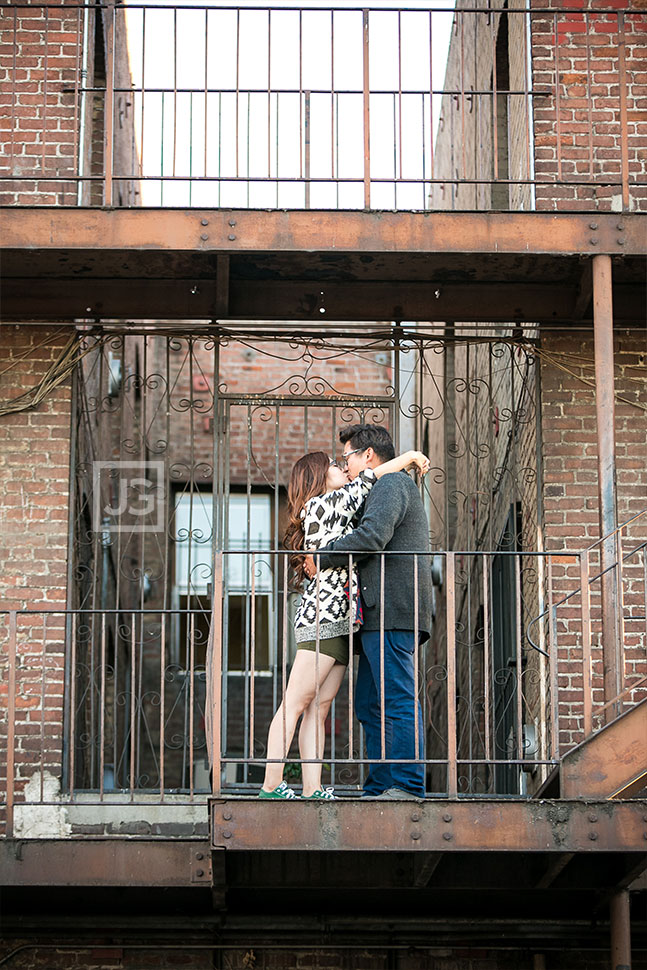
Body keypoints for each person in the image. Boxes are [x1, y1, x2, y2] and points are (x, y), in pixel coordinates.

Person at [259, 445, 430, 800]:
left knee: (318, 707)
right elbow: (373, 474)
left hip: (339, 620)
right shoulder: (325, 504)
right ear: (320, 479)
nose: (341, 468)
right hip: (323, 618)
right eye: (333, 466)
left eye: (341, 462)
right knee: (295, 701)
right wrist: (411, 457)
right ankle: (271, 784)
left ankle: (312, 788)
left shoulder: (332, 508)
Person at [305, 424, 432, 800]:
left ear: (369, 456)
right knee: (369, 703)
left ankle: (406, 785)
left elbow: (373, 536)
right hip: (379, 614)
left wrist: (321, 556)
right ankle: (379, 785)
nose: (344, 467)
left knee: (395, 698)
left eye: (347, 458)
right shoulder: (380, 487)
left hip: (394, 610)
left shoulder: (390, 486)